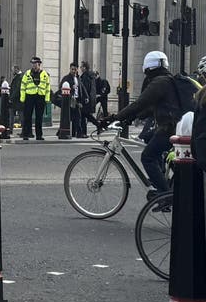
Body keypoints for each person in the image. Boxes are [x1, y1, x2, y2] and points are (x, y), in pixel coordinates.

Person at [99, 51, 180, 200]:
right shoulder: (167, 80)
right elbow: (147, 109)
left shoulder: (159, 82)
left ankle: (165, 195)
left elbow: (139, 104)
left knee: (147, 157)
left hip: (169, 127)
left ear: (148, 68)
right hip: (171, 126)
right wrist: (128, 119)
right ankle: (161, 179)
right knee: (149, 139)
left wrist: (114, 117)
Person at [20, 57, 51, 140]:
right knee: (27, 116)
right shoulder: (27, 74)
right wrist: (22, 98)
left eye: (35, 64)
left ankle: (39, 135)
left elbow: (48, 87)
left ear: (39, 64)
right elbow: (23, 86)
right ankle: (26, 134)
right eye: (32, 64)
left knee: (39, 117)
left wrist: (47, 98)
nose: (33, 65)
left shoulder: (45, 74)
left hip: (40, 97)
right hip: (29, 96)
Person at [59, 63, 82, 138]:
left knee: (77, 117)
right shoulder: (66, 78)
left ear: (77, 70)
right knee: (68, 117)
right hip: (69, 100)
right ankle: (64, 132)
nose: (73, 71)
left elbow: (81, 89)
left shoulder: (78, 78)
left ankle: (77, 133)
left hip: (76, 100)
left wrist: (83, 98)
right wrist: (71, 87)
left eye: (75, 69)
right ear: (70, 69)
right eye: (72, 69)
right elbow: (61, 87)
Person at [79, 61, 97, 139]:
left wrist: (85, 98)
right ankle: (98, 124)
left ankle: (84, 132)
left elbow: (85, 88)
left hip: (86, 99)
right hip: (90, 98)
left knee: (83, 115)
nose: (80, 68)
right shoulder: (90, 76)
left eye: (81, 67)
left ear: (84, 68)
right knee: (86, 115)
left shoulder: (85, 76)